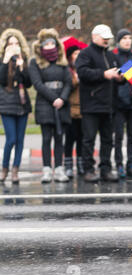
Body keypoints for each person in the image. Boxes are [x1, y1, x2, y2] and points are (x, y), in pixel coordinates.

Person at [76, 24, 122, 183]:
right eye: (104, 38)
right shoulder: (85, 54)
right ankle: (88, 170)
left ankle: (105, 169)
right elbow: (82, 73)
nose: (107, 41)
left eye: (108, 38)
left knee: (108, 139)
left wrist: (120, 78)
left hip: (108, 104)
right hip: (91, 104)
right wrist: (103, 74)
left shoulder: (111, 55)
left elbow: (118, 73)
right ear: (94, 36)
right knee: (88, 139)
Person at [29, 28, 72, 184]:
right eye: (45, 44)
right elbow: (37, 84)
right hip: (45, 104)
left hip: (61, 104)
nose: (49, 46)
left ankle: (59, 169)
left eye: (51, 43)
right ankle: (47, 169)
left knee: (60, 137)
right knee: (46, 138)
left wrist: (62, 98)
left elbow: (68, 83)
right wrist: (54, 98)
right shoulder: (35, 63)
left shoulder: (63, 63)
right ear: (41, 46)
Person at [0, 28, 32, 184]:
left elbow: (28, 83)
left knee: (20, 139)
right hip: (6, 105)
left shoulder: (23, 60)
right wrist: (6, 61)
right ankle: (4, 168)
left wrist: (21, 66)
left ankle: (15, 170)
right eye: (10, 43)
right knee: (11, 139)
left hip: (22, 104)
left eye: (16, 43)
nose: (13, 46)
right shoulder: (2, 60)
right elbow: (1, 80)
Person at [112, 29, 132, 180]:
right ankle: (119, 164)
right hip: (117, 102)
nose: (127, 41)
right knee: (118, 136)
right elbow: (114, 78)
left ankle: (130, 164)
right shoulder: (113, 55)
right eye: (124, 38)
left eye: (129, 38)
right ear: (118, 40)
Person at [63, 44, 84, 179]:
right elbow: (68, 86)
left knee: (81, 138)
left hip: (83, 109)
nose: (78, 56)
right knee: (70, 138)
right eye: (75, 53)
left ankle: (81, 164)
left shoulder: (84, 68)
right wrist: (75, 79)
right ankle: (68, 165)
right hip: (70, 108)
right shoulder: (67, 70)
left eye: (79, 53)